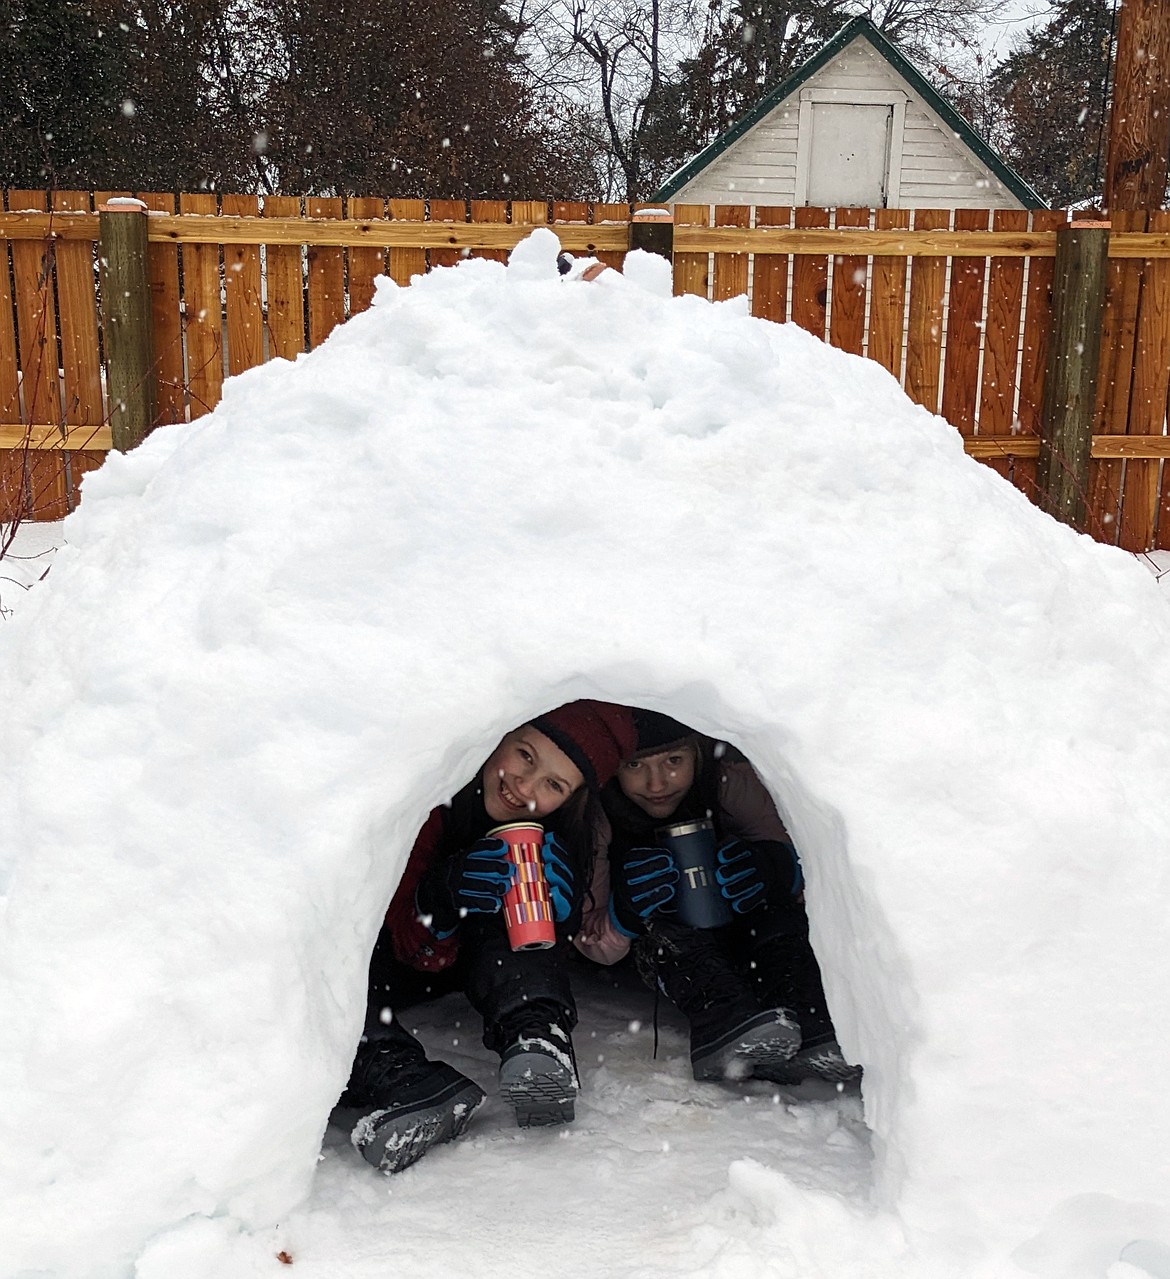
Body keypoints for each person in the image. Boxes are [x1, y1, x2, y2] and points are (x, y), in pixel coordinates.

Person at [333, 700, 636, 1174]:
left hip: (476, 960)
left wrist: (560, 911)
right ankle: (403, 1079)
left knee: (511, 891)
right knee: (328, 961)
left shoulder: (567, 834)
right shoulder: (432, 797)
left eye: (553, 784)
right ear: (497, 735)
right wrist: (439, 897)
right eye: (525, 755)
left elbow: (575, 934)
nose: (524, 785)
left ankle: (537, 1038)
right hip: (390, 959)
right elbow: (388, 929)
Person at [577, 709, 859, 1088]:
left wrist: (773, 869)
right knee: (667, 937)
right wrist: (623, 911)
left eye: (673, 761)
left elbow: (813, 871)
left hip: (741, 928)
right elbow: (595, 943)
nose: (657, 782)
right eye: (635, 765)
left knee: (778, 924)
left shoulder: (727, 785)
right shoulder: (600, 815)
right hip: (669, 946)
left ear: (696, 753)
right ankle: (725, 1023)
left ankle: (809, 1021)